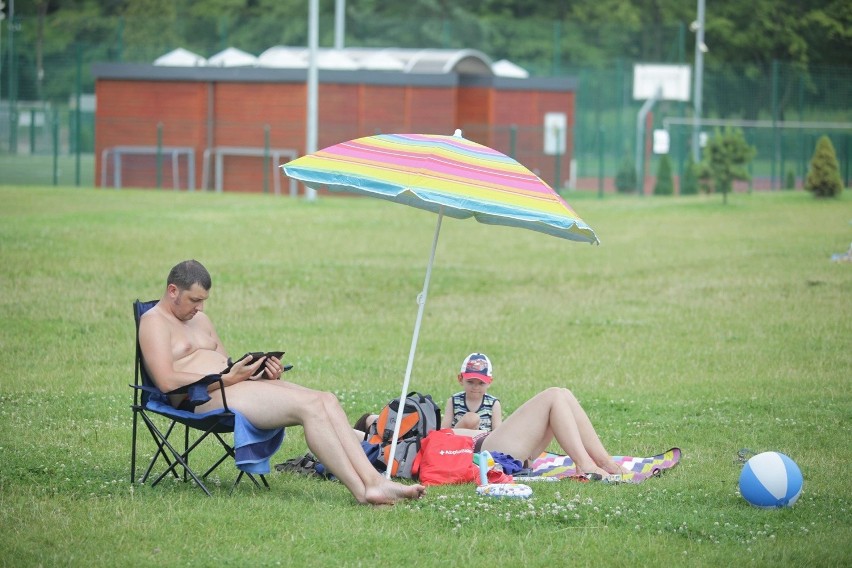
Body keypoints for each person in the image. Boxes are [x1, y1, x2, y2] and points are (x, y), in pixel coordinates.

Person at [138, 259, 426, 505]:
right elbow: (166, 381)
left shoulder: (201, 319)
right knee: (309, 408)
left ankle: (375, 480)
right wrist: (228, 378)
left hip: (232, 385)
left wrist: (258, 371)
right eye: (194, 300)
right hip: (200, 398)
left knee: (326, 399)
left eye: (204, 301)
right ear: (173, 291)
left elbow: (227, 364)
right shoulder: (154, 322)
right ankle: (363, 491)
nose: (199, 308)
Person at [356, 354, 628, 477]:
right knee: (554, 396)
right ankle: (588, 464)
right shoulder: (388, 444)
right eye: (373, 422)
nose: (379, 422)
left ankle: (598, 460)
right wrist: (366, 428)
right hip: (488, 449)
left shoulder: (409, 430)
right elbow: (354, 436)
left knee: (563, 394)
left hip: (494, 442)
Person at [439, 353, 502, 431]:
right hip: (459, 440)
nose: (475, 387)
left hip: (481, 442)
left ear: (489, 382)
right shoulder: (454, 401)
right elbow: (444, 430)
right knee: (471, 419)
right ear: (460, 379)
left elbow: (497, 433)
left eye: (481, 383)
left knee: (472, 419)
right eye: (470, 382)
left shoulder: (493, 403)